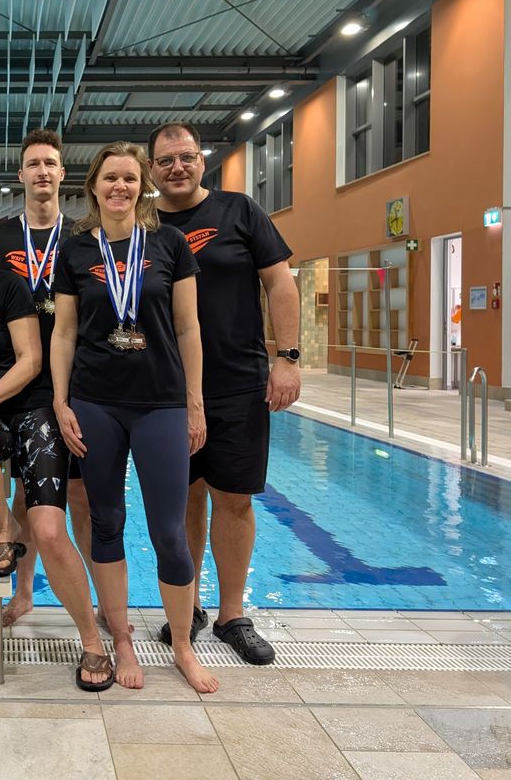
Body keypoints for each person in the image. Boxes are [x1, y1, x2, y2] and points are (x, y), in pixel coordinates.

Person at [52, 140, 218, 694]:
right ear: (93, 187)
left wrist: (194, 402)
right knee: (106, 521)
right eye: (109, 178)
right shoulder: (75, 252)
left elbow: (191, 328)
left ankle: (182, 645)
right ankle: (120, 638)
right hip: (95, 401)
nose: (119, 187)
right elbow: (65, 332)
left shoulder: (170, 244)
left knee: (170, 531)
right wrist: (60, 400)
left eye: (129, 178)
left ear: (140, 185)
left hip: (161, 401)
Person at [0, 207, 111, 691]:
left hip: (32, 410)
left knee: (52, 530)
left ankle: (93, 640)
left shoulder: (8, 286)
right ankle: (6, 529)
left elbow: (32, 360)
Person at [149, 121, 300, 666]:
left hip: (237, 380)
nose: (177, 168)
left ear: (201, 160)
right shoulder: (142, 223)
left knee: (233, 498)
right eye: (165, 161)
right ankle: (186, 607)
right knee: (184, 499)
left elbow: (281, 282)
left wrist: (287, 357)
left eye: (185, 157)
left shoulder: (240, 211)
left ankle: (233, 613)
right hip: (165, 388)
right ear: (152, 170)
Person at [0, 129, 99, 630]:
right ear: (22, 175)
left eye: (50, 163)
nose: (43, 172)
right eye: (33, 164)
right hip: (18, 378)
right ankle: (25, 591)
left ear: (62, 174)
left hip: (74, 380)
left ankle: (98, 601)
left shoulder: (81, 236)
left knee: (81, 497)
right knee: (26, 495)